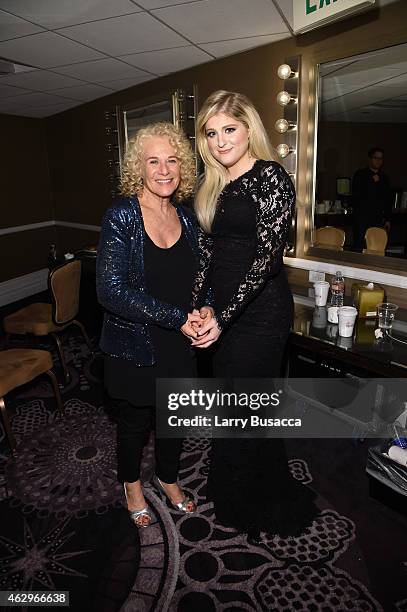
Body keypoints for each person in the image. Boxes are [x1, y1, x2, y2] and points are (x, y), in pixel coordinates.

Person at [191, 90, 317, 538]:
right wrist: (202, 304)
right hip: (223, 310)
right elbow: (209, 254)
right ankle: (233, 483)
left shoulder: (272, 178)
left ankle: (250, 495)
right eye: (212, 133)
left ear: (249, 129)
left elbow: (267, 261)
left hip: (260, 313)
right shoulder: (214, 185)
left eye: (230, 129)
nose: (221, 141)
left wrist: (223, 317)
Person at [96, 122, 200, 527]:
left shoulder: (187, 218)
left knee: (174, 419)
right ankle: (131, 485)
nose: (164, 169)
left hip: (180, 343)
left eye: (172, 160)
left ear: (183, 167)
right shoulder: (121, 216)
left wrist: (205, 308)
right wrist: (178, 318)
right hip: (136, 345)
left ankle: (168, 477)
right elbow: (111, 291)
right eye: (153, 160)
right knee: (135, 423)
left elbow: (201, 278)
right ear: (137, 168)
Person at [352, 147, 392, 251]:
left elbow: (387, 199)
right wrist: (372, 182)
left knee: (376, 247)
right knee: (360, 247)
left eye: (381, 158)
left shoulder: (384, 177)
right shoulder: (360, 175)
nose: (379, 161)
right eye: (376, 158)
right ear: (370, 159)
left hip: (378, 218)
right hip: (362, 218)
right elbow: (357, 195)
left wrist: (387, 218)